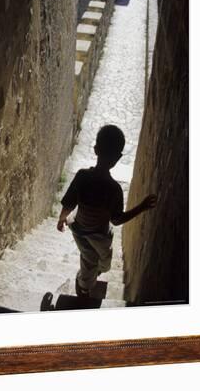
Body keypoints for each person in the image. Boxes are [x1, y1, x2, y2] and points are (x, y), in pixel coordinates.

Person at [57, 124, 157, 297]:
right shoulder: (114, 190)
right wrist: (141, 207)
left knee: (105, 264)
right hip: (91, 234)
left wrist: (62, 218)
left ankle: (88, 277)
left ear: (96, 150)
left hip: (84, 231)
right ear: (117, 158)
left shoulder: (83, 177)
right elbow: (116, 220)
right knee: (90, 263)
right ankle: (83, 287)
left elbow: (69, 202)